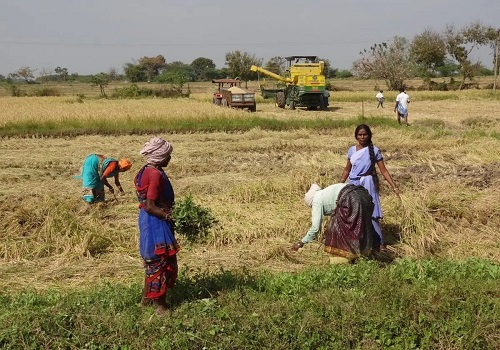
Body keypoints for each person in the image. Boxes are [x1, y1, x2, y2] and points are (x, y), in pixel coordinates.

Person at [134, 136, 179, 315]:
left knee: (152, 261)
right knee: (159, 262)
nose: (169, 158)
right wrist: (169, 215)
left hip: (147, 219)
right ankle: (160, 306)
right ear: (160, 156)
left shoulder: (146, 169)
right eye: (167, 155)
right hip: (155, 222)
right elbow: (150, 205)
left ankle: (145, 299)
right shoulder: (154, 175)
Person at [339, 124, 400, 249]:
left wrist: (394, 187)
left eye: (365, 134)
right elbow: (347, 169)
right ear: (356, 136)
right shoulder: (352, 150)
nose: (362, 137)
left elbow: (384, 171)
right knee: (354, 213)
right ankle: (358, 243)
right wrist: (340, 184)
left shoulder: (375, 150)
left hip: (368, 184)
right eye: (360, 135)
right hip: (353, 185)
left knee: (372, 213)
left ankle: (379, 242)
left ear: (369, 135)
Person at [291, 183, 378, 259]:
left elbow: (315, 228)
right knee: (362, 226)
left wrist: (301, 242)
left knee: (339, 229)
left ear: (310, 202)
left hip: (350, 198)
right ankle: (368, 253)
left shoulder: (316, 201)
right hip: (364, 194)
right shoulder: (326, 192)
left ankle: (345, 258)